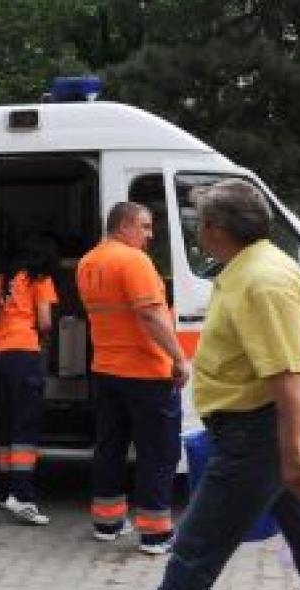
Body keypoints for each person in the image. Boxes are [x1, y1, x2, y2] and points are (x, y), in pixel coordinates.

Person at [87, 179, 300, 590]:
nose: (196, 230)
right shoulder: (251, 268)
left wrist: (290, 452)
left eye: (200, 222)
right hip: (264, 433)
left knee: (197, 548)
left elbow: (287, 371)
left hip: (259, 436)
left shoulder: (260, 279)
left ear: (219, 229)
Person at [76, 202, 189, 555]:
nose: (149, 234)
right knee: (158, 451)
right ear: (124, 225)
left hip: (107, 369)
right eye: (144, 226)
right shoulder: (133, 260)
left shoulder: (88, 262)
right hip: (145, 372)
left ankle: (107, 522)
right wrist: (178, 358)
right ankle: (155, 534)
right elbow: (151, 314)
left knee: (110, 447)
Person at [0, 235, 60, 525]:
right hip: (25, 352)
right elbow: (44, 321)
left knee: (6, 424)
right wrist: (46, 336)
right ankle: (22, 496)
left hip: (1, 352)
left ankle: (5, 490)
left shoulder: (1, 279)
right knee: (25, 425)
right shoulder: (40, 279)